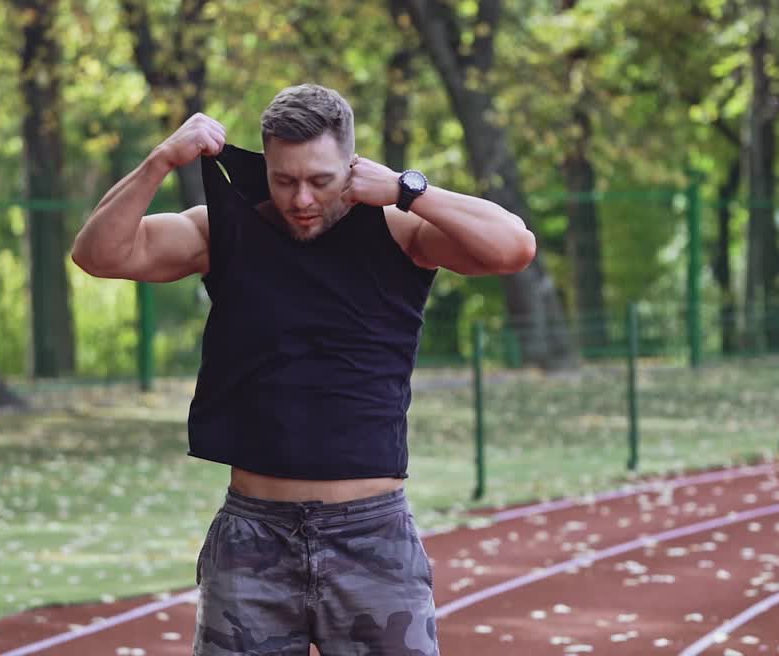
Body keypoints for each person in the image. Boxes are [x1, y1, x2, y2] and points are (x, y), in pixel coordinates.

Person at [72, 84, 535, 655]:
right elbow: (99, 255)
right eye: (284, 179)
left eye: (321, 180)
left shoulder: (400, 227)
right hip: (253, 536)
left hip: (372, 536)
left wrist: (407, 190)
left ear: (352, 165)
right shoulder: (221, 230)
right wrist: (162, 158)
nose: (302, 199)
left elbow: (514, 248)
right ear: (265, 164)